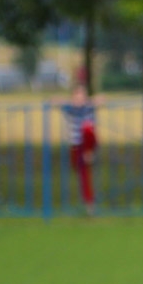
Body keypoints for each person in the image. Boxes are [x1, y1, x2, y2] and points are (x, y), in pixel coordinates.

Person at [59, 84, 98, 216]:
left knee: (87, 128)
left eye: (82, 96)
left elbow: (101, 100)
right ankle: (88, 202)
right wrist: (68, 102)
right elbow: (54, 100)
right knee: (82, 173)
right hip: (76, 145)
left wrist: (92, 101)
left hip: (87, 143)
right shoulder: (70, 109)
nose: (79, 99)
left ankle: (89, 204)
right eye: (77, 96)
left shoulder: (89, 108)